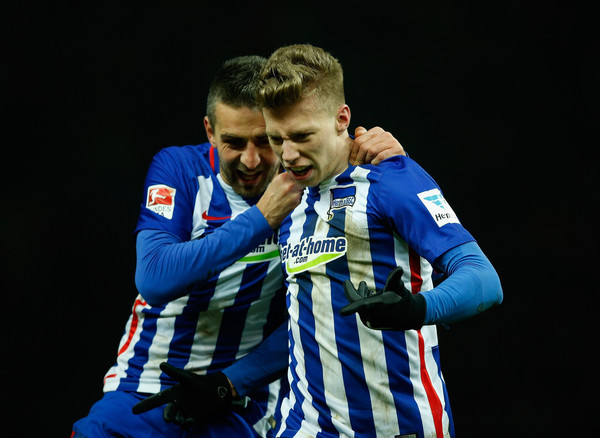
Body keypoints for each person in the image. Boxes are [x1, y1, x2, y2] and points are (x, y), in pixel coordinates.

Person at [72, 54, 406, 438]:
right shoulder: (180, 169)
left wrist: (388, 154)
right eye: (233, 142)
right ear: (210, 132)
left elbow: (322, 314)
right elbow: (154, 277)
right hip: (142, 385)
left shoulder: (316, 187)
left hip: (244, 399)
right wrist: (261, 218)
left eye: (264, 142)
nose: (250, 161)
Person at [253, 44, 504, 438]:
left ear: (342, 118)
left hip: (399, 425)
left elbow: (484, 280)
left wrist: (417, 308)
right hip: (305, 426)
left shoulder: (392, 178)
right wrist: (229, 381)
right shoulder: (286, 197)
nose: (287, 154)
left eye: (302, 136)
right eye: (276, 138)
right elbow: (306, 325)